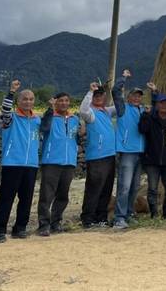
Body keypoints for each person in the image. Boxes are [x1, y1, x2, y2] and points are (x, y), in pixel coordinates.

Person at [0, 81, 41, 242]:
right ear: (18, 102)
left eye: (31, 99)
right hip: (12, 163)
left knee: (26, 199)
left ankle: (20, 228)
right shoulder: (10, 118)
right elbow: (5, 109)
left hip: (31, 164)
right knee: (6, 198)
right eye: (24, 99)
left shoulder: (36, 120)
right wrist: (11, 92)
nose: (28, 101)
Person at [37, 91, 83, 236]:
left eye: (66, 100)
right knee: (47, 194)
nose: (64, 103)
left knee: (63, 195)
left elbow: (76, 138)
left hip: (69, 161)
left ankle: (56, 222)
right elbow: (43, 128)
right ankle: (43, 225)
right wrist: (50, 110)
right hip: (51, 161)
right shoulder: (50, 117)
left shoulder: (74, 119)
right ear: (55, 102)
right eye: (60, 101)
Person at [79, 79, 118, 228]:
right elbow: (83, 110)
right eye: (96, 96)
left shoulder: (106, 111)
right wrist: (90, 91)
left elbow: (120, 107)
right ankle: (88, 218)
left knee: (106, 189)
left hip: (110, 156)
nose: (98, 97)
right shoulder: (91, 113)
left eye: (101, 95)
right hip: (97, 157)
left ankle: (101, 217)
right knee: (94, 189)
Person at [113, 69, 148, 229]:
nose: (137, 97)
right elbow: (115, 92)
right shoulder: (123, 108)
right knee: (124, 186)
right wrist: (123, 78)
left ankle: (128, 214)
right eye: (134, 95)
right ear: (128, 97)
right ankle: (119, 218)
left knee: (134, 187)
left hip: (140, 153)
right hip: (127, 152)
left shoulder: (143, 111)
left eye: (139, 95)